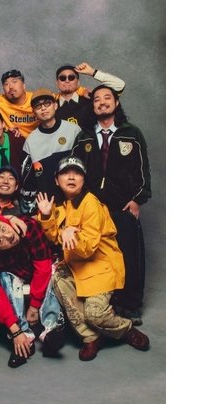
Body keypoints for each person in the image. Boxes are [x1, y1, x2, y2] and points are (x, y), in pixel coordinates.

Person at [36, 157, 150, 361]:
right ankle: (91, 337)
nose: (71, 177)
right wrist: (46, 216)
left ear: (83, 179)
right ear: (56, 180)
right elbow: (54, 237)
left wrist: (70, 234)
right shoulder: (61, 206)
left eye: (77, 173)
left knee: (95, 314)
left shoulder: (90, 203)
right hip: (76, 267)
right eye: (65, 173)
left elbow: (87, 248)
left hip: (100, 267)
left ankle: (126, 329)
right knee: (58, 276)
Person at [71, 85, 151, 324]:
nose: (102, 102)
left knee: (129, 255)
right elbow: (75, 171)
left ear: (116, 103)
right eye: (97, 99)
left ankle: (130, 305)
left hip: (123, 206)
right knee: (98, 256)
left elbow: (143, 171)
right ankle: (105, 303)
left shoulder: (132, 133)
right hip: (93, 208)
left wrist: (137, 199)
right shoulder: (84, 136)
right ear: (92, 106)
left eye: (107, 98)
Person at [0, 214, 66, 368]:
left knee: (52, 270)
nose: (8, 236)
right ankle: (25, 337)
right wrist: (15, 330)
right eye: (0, 241)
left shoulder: (28, 226)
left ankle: (51, 330)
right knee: (4, 277)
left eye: (3, 228)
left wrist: (34, 306)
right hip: (16, 275)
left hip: (40, 270)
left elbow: (43, 267)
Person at [20, 88, 83, 213]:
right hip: (47, 205)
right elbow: (28, 180)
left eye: (47, 103)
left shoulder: (74, 130)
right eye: (38, 106)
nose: (43, 108)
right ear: (34, 112)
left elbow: (86, 165)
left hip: (76, 201)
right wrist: (31, 210)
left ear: (55, 105)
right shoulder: (30, 141)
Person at [54, 62, 126, 130]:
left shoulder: (92, 99)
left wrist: (92, 72)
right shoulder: (52, 106)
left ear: (78, 82)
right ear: (57, 83)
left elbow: (119, 85)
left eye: (71, 77)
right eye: (62, 78)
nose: (67, 81)